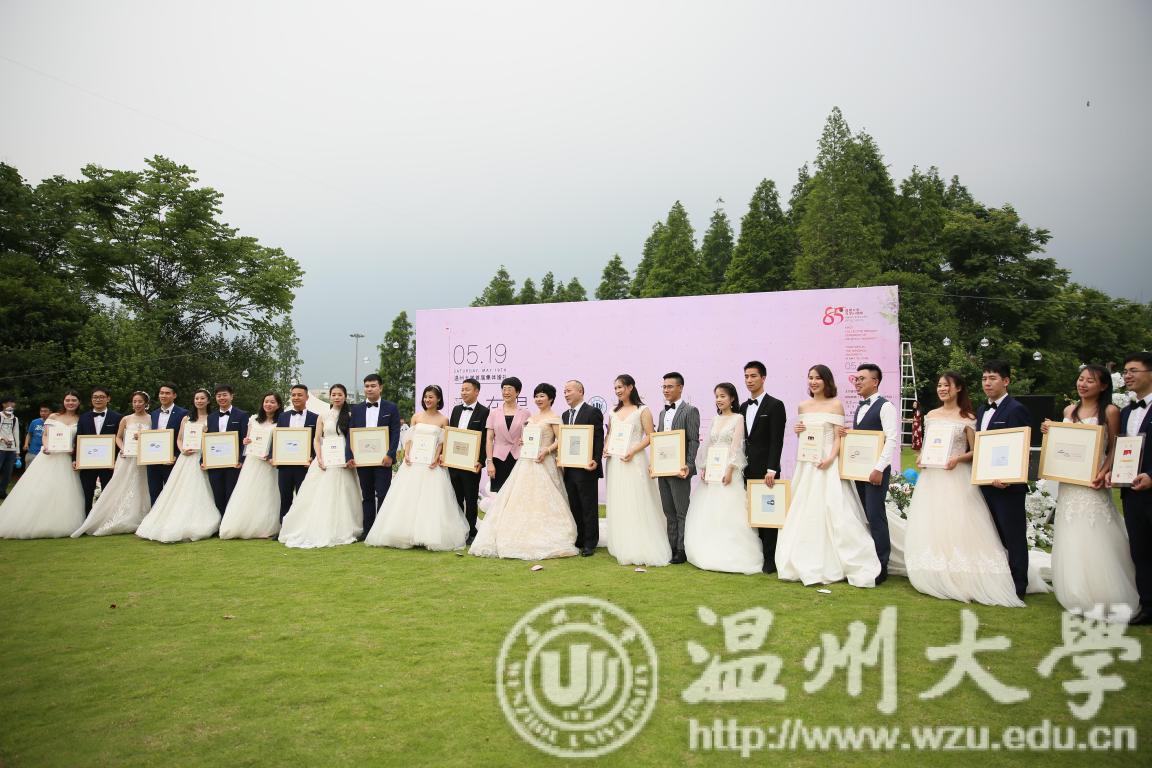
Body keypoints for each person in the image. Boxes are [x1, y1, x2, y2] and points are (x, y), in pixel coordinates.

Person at [903, 372, 1023, 607]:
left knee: (958, 522)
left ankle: (963, 572)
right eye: (939, 385)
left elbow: (977, 450)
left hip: (956, 476)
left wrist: (957, 459)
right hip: (932, 477)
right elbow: (928, 446)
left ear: (958, 388)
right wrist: (921, 457)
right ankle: (936, 569)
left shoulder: (967, 417)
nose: (942, 389)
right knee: (933, 522)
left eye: (946, 385)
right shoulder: (931, 416)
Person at [1040, 365, 1138, 621]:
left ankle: (1103, 591)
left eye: (1090, 381)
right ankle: (1074, 588)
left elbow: (1115, 446)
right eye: (1081, 379)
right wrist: (1049, 432)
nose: (1083, 384)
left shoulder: (1110, 411)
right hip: (1069, 482)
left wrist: (1104, 471)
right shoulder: (1068, 411)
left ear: (1103, 386)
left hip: (1093, 481)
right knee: (1070, 530)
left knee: (1095, 530)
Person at [775, 365, 881, 587]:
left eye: (818, 378)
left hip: (828, 463)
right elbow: (807, 438)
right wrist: (798, 432)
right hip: (807, 463)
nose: (813, 382)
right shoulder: (803, 406)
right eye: (810, 377)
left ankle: (842, 558)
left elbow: (837, 437)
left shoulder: (835, 405)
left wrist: (831, 459)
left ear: (826, 381)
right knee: (804, 506)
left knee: (833, 506)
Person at [470, 383, 578, 560]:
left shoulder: (554, 417)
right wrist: (524, 441)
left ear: (551, 398)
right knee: (523, 498)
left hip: (544, 462)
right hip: (526, 461)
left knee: (544, 498)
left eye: (542, 396)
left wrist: (547, 450)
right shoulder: (532, 417)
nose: (538, 399)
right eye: (536, 396)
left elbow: (561, 440)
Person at [366, 385, 469, 550]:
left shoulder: (443, 420)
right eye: (426, 397)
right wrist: (407, 454)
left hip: (431, 465)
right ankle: (403, 534)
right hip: (413, 463)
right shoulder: (416, 417)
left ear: (438, 399)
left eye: (431, 397)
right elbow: (409, 439)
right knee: (407, 498)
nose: (427, 400)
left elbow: (441, 443)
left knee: (430, 500)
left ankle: (427, 535)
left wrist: (436, 457)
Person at [684, 383, 764, 574]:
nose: (719, 400)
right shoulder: (714, 419)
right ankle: (709, 549)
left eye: (723, 396)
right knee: (710, 511)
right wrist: (704, 467)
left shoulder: (738, 418)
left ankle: (733, 552)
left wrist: (730, 469)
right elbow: (709, 445)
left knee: (729, 510)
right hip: (713, 472)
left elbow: (737, 446)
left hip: (729, 472)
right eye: (717, 396)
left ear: (732, 398)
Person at [279, 384, 363, 548]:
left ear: (345, 396)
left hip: (343, 460)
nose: (336, 397)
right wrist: (319, 457)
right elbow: (317, 439)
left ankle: (344, 526)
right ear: (330, 397)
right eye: (334, 394)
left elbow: (354, 438)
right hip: (326, 458)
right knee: (320, 493)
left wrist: (350, 457)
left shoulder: (351, 416)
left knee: (344, 493)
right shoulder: (323, 416)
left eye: (340, 394)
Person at [976, 360, 1032, 599]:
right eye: (984, 379)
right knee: (993, 533)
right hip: (985, 483)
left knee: (1013, 535)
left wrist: (1010, 477)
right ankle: (1000, 578)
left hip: (1008, 487)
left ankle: (1019, 584)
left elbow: (1021, 447)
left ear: (1006, 381)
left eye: (993, 378)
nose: (987, 383)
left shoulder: (1016, 409)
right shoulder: (982, 410)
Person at [601, 375, 671, 566]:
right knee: (619, 500)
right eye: (615, 388)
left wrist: (633, 450)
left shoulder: (643, 410)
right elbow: (610, 434)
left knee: (637, 499)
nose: (618, 391)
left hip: (634, 460)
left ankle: (640, 542)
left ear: (630, 387)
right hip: (615, 461)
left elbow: (650, 436)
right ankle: (622, 541)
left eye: (621, 387)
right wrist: (606, 447)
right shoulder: (613, 411)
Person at [136, 389, 221, 543]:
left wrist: (206, 435)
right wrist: (182, 450)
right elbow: (179, 439)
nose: (199, 401)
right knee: (180, 490)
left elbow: (215, 440)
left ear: (208, 401)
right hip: (186, 458)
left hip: (203, 457)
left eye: (202, 398)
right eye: (197, 398)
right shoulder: (186, 418)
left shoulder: (213, 418)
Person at [0, 391, 84, 538]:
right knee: (41, 488)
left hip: (68, 458)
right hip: (49, 456)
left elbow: (81, 439)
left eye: (74, 400)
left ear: (79, 402)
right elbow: (45, 435)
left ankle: (61, 522)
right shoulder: (54, 417)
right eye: (68, 400)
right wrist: (46, 446)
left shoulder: (81, 419)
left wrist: (75, 450)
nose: (70, 403)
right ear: (63, 401)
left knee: (65, 491)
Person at [72, 390, 153, 537]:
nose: (137, 404)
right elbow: (118, 437)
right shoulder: (126, 419)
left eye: (140, 401)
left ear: (146, 403)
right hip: (127, 458)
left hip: (143, 459)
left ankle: (141, 516)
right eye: (134, 401)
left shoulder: (151, 419)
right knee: (120, 486)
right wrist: (123, 449)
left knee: (143, 487)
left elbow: (154, 438)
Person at [1112, 352, 1152, 625]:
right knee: (1140, 550)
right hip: (1132, 493)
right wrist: (1114, 473)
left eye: (1133, 370)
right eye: (1125, 371)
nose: (1127, 375)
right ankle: (1147, 605)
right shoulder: (1126, 412)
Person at [851, 363, 899, 583]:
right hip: (859, 472)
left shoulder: (885, 406)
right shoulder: (859, 407)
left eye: (862, 378)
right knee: (866, 516)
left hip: (876, 472)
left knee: (876, 515)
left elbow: (892, 440)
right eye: (856, 379)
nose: (857, 382)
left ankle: (882, 565)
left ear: (875, 382)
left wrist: (879, 468)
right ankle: (869, 559)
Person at [740, 361, 787, 573]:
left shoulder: (775, 405)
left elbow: (777, 440)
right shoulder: (742, 407)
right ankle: (756, 554)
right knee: (751, 513)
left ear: (763, 378)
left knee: (768, 514)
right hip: (746, 468)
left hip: (766, 470)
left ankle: (770, 559)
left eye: (753, 376)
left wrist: (772, 469)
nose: (749, 380)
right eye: (746, 376)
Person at [221, 391, 284, 539]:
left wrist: (271, 456)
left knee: (268, 493)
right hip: (253, 460)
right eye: (266, 401)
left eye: (272, 402)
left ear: (278, 405)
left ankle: (267, 526)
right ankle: (242, 524)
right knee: (248, 491)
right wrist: (246, 441)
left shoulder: (281, 421)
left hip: (269, 463)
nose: (268, 404)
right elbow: (248, 439)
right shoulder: (254, 419)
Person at [654, 372, 700, 564]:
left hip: (680, 470)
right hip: (662, 470)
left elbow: (693, 440)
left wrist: (688, 465)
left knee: (682, 511)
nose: (666, 390)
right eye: (664, 387)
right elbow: (658, 441)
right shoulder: (662, 413)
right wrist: (654, 464)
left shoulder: (690, 411)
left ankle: (682, 549)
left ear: (680, 388)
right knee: (668, 511)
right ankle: (671, 547)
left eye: (670, 386)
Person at [350, 373, 401, 537]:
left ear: (381, 387)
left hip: (383, 460)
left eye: (373, 386)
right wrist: (351, 455)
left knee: (383, 494)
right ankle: (368, 530)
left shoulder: (391, 408)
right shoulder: (356, 409)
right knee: (367, 496)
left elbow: (395, 433)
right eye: (367, 386)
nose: (369, 389)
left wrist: (390, 454)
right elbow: (351, 434)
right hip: (363, 461)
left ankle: (382, 530)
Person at [561, 380, 605, 556]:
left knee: (588, 506)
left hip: (587, 467)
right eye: (564, 391)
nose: (566, 394)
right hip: (569, 467)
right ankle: (579, 538)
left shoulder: (592, 412)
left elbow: (598, 438)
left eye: (569, 391)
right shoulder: (565, 415)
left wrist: (596, 459)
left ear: (580, 391)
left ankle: (590, 542)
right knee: (574, 505)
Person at [448, 378, 490, 544]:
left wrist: (481, 460)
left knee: (471, 498)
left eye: (467, 389)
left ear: (477, 391)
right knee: (455, 498)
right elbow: (451, 435)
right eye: (462, 389)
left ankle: (471, 531)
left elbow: (485, 438)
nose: (463, 392)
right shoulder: (456, 410)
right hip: (454, 462)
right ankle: (458, 530)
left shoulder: (484, 412)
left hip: (472, 464)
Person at [274, 384, 318, 520]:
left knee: (304, 497)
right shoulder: (283, 417)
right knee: (285, 497)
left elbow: (318, 441)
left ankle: (302, 526)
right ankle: (284, 527)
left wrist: (313, 458)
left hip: (305, 465)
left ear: (307, 397)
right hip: (285, 465)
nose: (296, 397)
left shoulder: (315, 418)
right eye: (293, 395)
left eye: (299, 395)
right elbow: (277, 438)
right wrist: (273, 456)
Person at [75, 387, 122, 513]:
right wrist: (75, 459)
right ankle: (87, 519)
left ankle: (106, 518)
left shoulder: (117, 417)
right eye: (95, 397)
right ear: (91, 399)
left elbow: (120, 439)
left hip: (109, 464)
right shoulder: (83, 417)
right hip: (87, 463)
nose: (98, 399)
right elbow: (78, 439)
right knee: (87, 493)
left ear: (108, 399)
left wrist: (116, 461)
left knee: (109, 493)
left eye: (101, 397)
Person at [206, 384, 248, 515]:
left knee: (232, 493)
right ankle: (220, 520)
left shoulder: (242, 415)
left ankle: (230, 521)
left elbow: (245, 439)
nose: (222, 398)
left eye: (225, 395)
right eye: (219, 395)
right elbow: (207, 440)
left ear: (231, 396)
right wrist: (204, 460)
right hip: (214, 462)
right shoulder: (211, 417)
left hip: (233, 463)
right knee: (217, 494)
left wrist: (241, 459)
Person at [485, 377, 529, 494]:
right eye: (504, 389)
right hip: (498, 459)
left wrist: (526, 441)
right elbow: (489, 439)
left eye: (509, 389)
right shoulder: (494, 413)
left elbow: (529, 436)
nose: (506, 392)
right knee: (500, 494)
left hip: (518, 457)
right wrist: (489, 462)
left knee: (517, 493)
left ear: (517, 392)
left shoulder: (525, 413)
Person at [146, 383, 188, 504]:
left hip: (173, 461)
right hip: (153, 462)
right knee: (154, 493)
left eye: (167, 393)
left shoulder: (183, 413)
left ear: (174, 395)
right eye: (161, 393)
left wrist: (177, 456)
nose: (163, 395)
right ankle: (154, 515)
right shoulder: (153, 414)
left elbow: (184, 438)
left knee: (173, 495)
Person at [0, 397, 20, 496]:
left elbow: (16, 435)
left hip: (11, 450)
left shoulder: (15, 419)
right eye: (9, 403)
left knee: (8, 473)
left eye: (13, 403)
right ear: (3, 404)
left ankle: (2, 492)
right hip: (0, 448)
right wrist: (1, 438)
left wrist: (17, 452)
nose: (11, 405)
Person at [22, 404, 50, 470]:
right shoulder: (34, 422)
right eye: (41, 411)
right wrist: (26, 444)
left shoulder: (53, 423)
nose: (43, 413)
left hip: (46, 452)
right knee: (29, 471)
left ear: (50, 412)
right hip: (33, 451)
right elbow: (29, 434)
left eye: (45, 411)